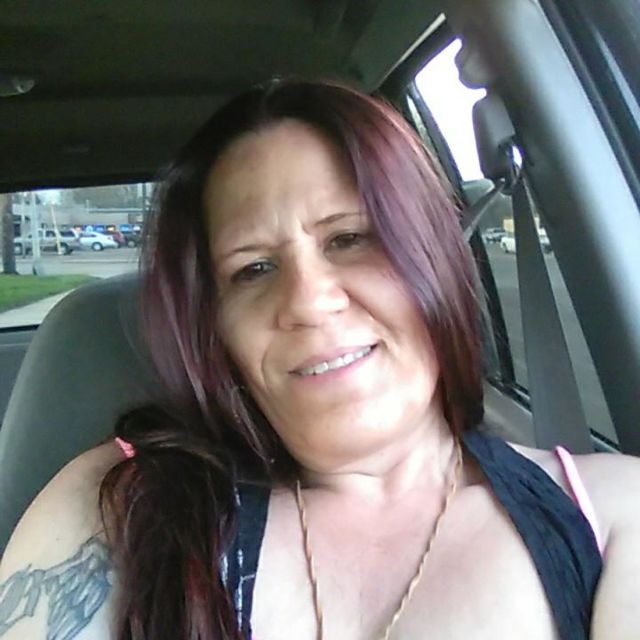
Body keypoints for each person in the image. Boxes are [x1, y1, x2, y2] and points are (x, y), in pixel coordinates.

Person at [0, 79, 638, 640]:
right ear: (215, 329)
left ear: (435, 260)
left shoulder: (614, 518)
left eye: (350, 238)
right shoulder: (121, 508)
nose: (308, 301)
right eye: (253, 269)